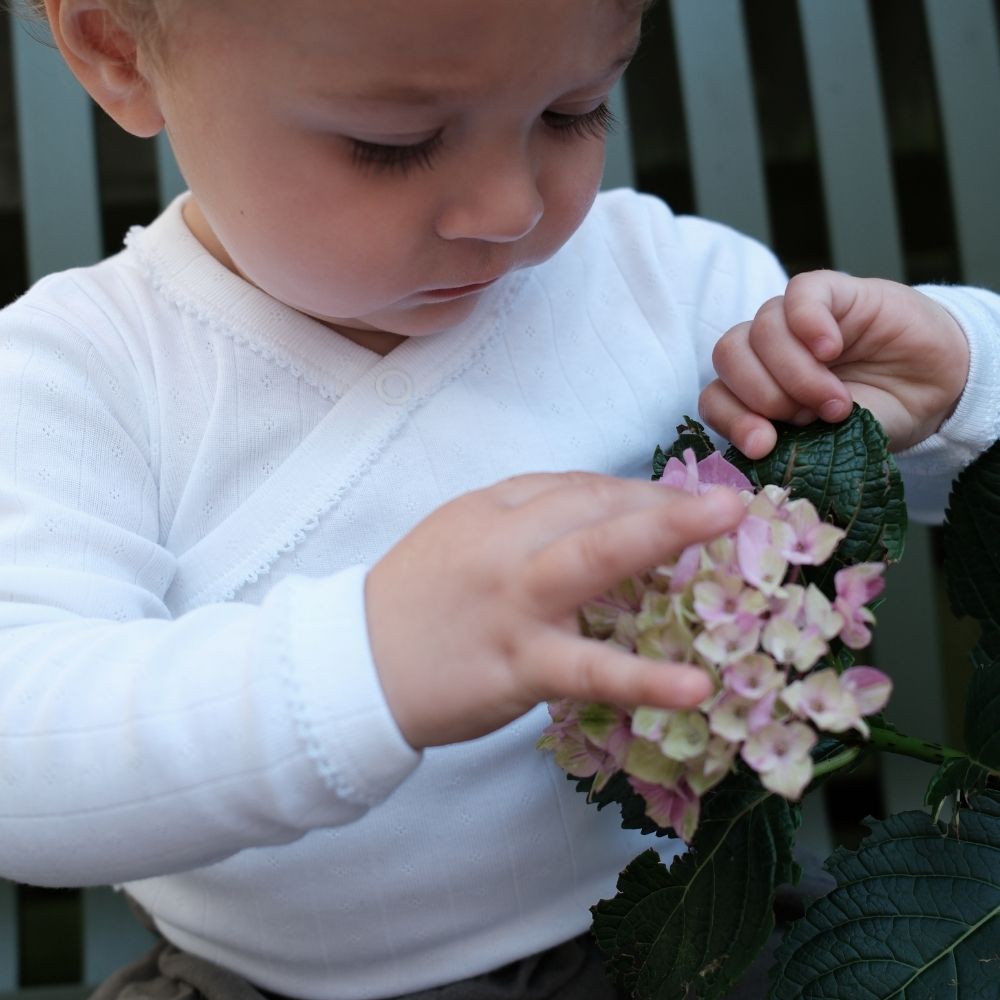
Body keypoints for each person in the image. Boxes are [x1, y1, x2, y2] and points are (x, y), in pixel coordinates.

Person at [0, 1, 997, 999]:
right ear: (118, 48)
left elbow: (909, 484)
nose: (508, 206)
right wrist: (368, 663)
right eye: (394, 143)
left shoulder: (662, 282)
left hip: (691, 939)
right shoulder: (84, 374)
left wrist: (951, 385)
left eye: (573, 112)